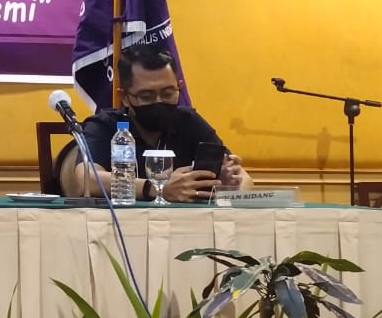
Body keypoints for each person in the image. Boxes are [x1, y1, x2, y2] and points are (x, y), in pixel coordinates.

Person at [71, 43, 252, 202]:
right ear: (124, 97)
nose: (159, 102)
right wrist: (157, 189)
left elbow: (245, 179)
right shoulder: (104, 125)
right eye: (147, 96)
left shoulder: (189, 121)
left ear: (179, 86)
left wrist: (230, 187)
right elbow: (86, 179)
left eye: (168, 93)